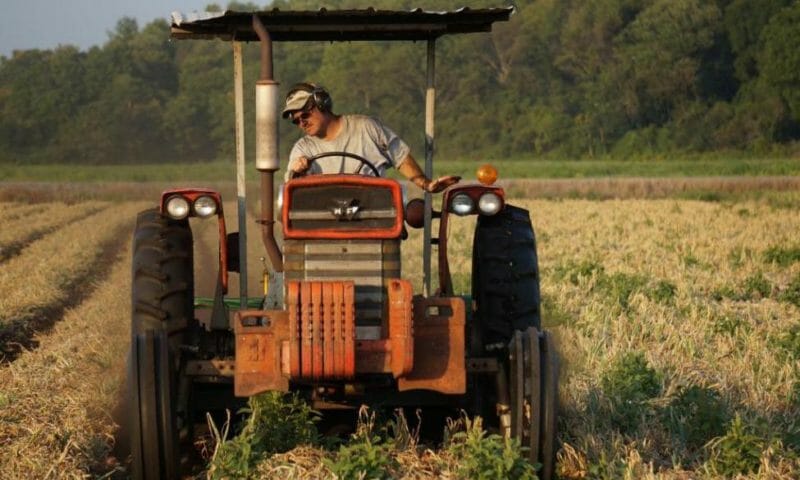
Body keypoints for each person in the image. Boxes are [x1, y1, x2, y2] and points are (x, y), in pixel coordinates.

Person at [282, 83, 460, 193]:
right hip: (325, 219)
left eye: (304, 115)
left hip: (372, 211)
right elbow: (292, 188)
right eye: (296, 121)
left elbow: (400, 157)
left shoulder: (365, 127)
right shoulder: (302, 149)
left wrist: (426, 184)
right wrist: (297, 173)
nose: (301, 123)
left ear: (322, 104)